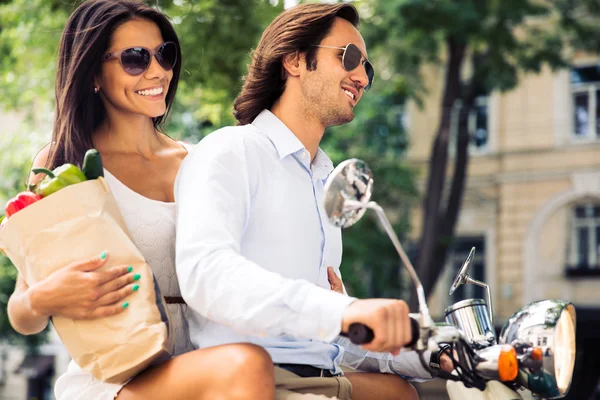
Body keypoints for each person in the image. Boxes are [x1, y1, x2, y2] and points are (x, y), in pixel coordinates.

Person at [6, 1, 275, 399]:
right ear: (94, 71)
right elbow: (21, 314)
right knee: (246, 363)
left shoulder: (202, 160)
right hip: (118, 381)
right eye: (135, 59)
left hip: (211, 367)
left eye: (165, 54)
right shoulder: (63, 164)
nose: (158, 71)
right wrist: (45, 297)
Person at [176, 4, 446, 399]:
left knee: (401, 392)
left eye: (367, 69)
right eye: (350, 58)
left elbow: (333, 332)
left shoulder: (324, 179)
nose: (361, 78)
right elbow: (206, 274)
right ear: (296, 60)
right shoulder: (231, 150)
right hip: (252, 379)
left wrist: (437, 351)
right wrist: (340, 311)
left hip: (325, 375)